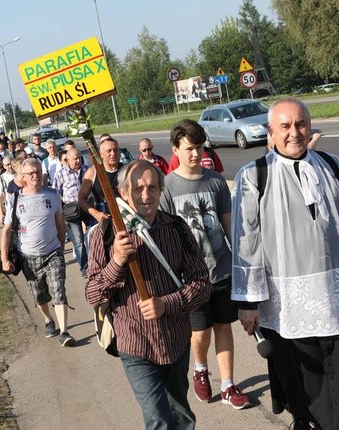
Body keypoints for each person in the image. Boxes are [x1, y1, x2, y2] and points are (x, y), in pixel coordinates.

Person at [231, 97, 339, 430]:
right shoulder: (254, 176)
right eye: (285, 126)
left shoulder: (332, 164)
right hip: (290, 299)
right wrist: (248, 303)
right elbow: (246, 241)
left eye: (301, 124)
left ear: (310, 126)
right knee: (307, 378)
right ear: (271, 131)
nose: (295, 132)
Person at [85, 159, 211, 429]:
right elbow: (93, 295)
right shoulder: (106, 234)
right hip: (136, 344)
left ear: (161, 190)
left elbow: (202, 282)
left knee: (182, 416)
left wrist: (168, 304)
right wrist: (117, 262)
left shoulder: (176, 228)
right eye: (138, 188)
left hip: (176, 340)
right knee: (158, 419)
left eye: (152, 187)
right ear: (123, 193)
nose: (145, 195)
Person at [160, 119, 251, 410]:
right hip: (191, 278)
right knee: (200, 332)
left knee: (224, 326)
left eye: (199, 148)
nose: (196, 154)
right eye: (189, 149)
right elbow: (163, 236)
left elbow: (229, 227)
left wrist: (241, 263)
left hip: (222, 269)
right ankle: (200, 368)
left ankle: (228, 385)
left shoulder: (215, 181)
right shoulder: (167, 188)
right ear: (175, 149)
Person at [0, 158, 76, 347]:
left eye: (39, 172)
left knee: (59, 290)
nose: (36, 176)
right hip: (28, 254)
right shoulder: (16, 199)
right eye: (31, 173)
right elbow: (7, 231)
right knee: (39, 294)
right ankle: (49, 320)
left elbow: (60, 224)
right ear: (23, 177)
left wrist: (60, 245)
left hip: (53, 252)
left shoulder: (53, 195)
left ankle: (64, 331)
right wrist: (4, 258)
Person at [53, 148, 89, 278]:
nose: (78, 161)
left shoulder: (87, 170)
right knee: (78, 240)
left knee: (92, 236)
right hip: (71, 210)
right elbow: (56, 193)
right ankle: (85, 267)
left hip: (87, 207)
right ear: (68, 160)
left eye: (79, 158)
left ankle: (96, 263)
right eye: (75, 159)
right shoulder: (61, 174)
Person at [77, 137, 123, 225]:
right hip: (103, 218)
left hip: (125, 216)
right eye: (109, 151)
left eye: (115, 150)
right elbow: (81, 199)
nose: (113, 154)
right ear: (101, 154)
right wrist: (96, 214)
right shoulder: (93, 172)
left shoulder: (126, 170)